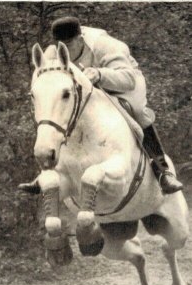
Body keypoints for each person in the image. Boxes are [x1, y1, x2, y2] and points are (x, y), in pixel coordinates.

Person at [45, 16, 182, 194]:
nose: (64, 51)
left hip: (124, 81)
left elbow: (128, 79)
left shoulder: (105, 45)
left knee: (136, 110)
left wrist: (100, 74)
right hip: (90, 87)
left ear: (80, 39)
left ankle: (162, 171)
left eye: (68, 45)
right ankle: (50, 170)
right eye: (59, 45)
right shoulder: (55, 52)